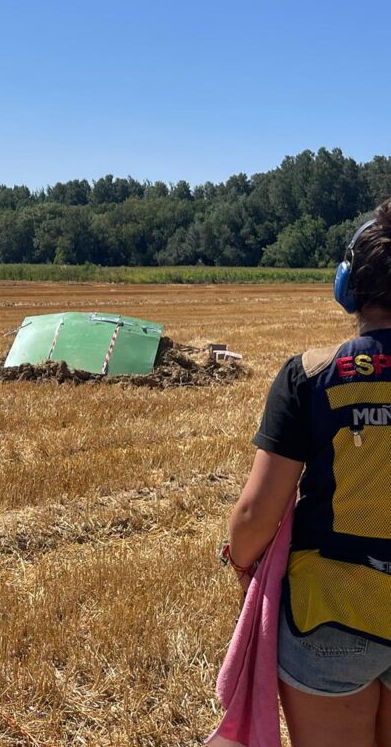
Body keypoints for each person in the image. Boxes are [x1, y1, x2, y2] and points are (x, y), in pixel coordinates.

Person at [226, 198, 391, 746]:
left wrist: (242, 559)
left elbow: (255, 513)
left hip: (330, 617)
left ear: (349, 285)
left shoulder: (311, 374)